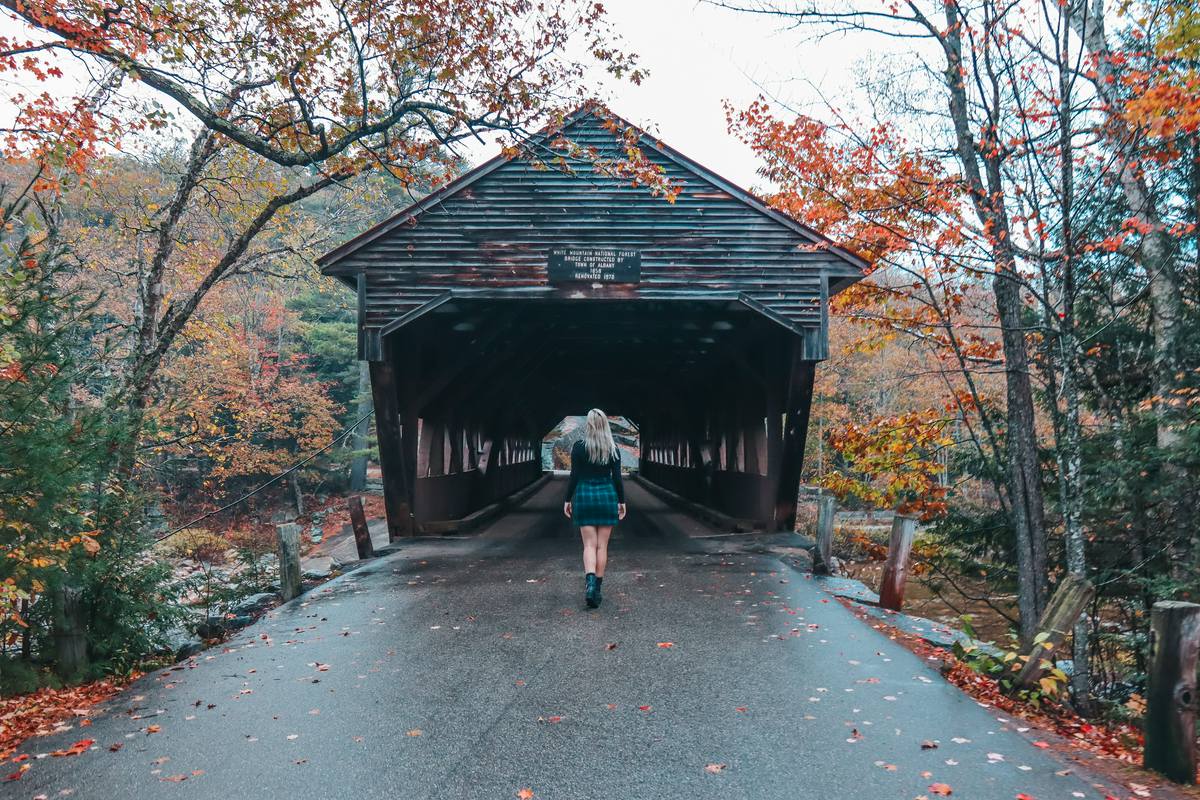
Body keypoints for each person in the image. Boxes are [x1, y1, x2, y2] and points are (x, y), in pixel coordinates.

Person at [563, 409, 626, 608]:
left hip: (584, 495)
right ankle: (597, 588)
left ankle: (589, 583)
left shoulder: (579, 447)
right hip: (606, 495)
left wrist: (567, 499)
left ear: (588, 424)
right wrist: (621, 501)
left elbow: (574, 475)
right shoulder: (612, 448)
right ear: (605, 424)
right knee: (602, 546)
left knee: (589, 545)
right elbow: (617, 478)